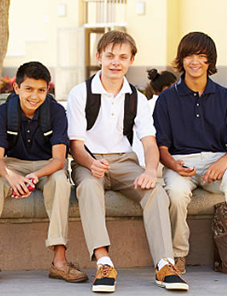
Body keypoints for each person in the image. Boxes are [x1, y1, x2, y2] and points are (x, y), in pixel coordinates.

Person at [67, 30, 188, 293]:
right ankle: (104, 262)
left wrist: (150, 170)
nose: (115, 62)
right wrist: (90, 163)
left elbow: (149, 142)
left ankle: (165, 263)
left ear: (132, 60)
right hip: (88, 161)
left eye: (123, 57)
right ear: (99, 57)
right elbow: (76, 146)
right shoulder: (80, 93)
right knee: (87, 188)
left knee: (155, 191)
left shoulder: (137, 98)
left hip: (124, 161)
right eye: (110, 56)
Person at [153, 31, 227, 286]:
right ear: (181, 60)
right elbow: (161, 148)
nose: (195, 61)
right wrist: (173, 165)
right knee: (176, 194)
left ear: (210, 62)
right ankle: (177, 256)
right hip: (180, 163)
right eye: (189, 55)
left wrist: (223, 163)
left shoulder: (224, 96)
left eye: (202, 56)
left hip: (218, 161)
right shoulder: (167, 99)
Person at [0, 61, 88, 284]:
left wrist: (34, 177)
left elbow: (59, 160)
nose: (34, 96)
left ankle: (59, 261)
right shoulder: (3, 112)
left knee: (60, 182)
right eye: (28, 89)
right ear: (16, 89)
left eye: (40, 90)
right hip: (14, 164)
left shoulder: (56, 112)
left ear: (48, 90)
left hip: (47, 166)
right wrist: (11, 176)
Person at [134, 69, 177, 166]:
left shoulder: (146, 104)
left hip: (137, 162)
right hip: (154, 164)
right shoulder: (168, 107)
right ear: (166, 88)